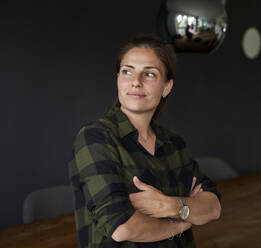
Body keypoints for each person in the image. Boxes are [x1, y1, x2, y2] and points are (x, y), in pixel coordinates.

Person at [68, 34, 222, 248]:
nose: (135, 82)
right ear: (118, 79)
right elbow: (122, 227)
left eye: (149, 74)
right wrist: (184, 220)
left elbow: (213, 206)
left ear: (166, 87)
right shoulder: (95, 138)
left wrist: (171, 205)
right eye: (127, 71)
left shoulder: (173, 142)